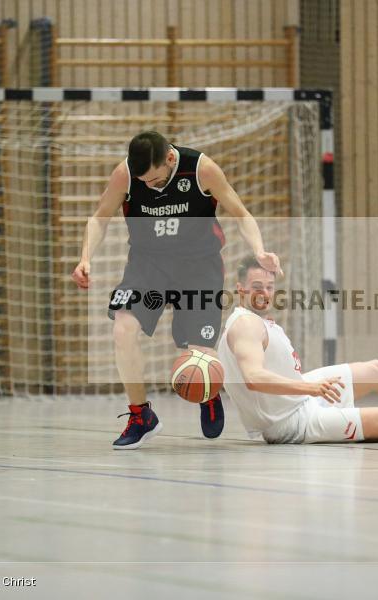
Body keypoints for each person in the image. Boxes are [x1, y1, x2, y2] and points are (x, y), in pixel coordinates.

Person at [71, 131, 282, 449]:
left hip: (198, 267)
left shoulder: (201, 169)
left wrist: (259, 250)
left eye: (155, 180)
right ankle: (141, 416)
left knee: (199, 352)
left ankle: (207, 391)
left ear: (170, 159)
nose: (150, 186)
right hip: (148, 265)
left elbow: (240, 212)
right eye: (144, 182)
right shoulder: (124, 175)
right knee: (123, 329)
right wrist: (85, 257)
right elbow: (100, 218)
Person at [216, 257, 378, 444]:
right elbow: (253, 378)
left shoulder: (254, 320)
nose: (264, 293)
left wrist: (309, 390)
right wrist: (311, 388)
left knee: (376, 370)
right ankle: (331, 421)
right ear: (241, 289)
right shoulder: (247, 325)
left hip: (298, 400)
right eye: (257, 287)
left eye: (270, 287)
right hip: (288, 423)